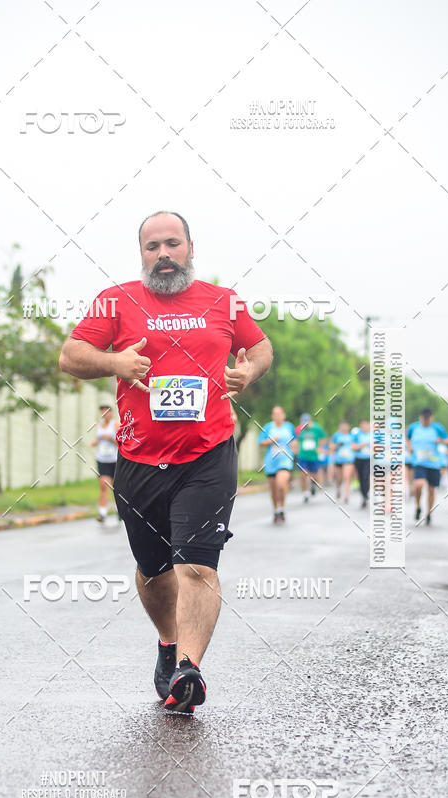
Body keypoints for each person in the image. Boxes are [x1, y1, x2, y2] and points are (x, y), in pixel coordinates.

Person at [59, 210, 272, 713]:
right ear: (142, 254)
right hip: (137, 457)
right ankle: (168, 642)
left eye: (172, 244)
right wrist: (113, 362)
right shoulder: (117, 300)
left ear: (190, 248)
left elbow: (260, 347)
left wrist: (249, 373)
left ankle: (189, 668)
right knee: (153, 571)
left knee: (196, 566)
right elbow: (70, 356)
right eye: (152, 247)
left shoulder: (224, 301)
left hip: (208, 453)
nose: (163, 255)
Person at [406, 408, 448, 525]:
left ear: (431, 418)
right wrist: (409, 446)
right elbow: (407, 438)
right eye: (423, 419)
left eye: (427, 419)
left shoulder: (437, 428)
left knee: (431, 489)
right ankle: (418, 506)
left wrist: (441, 441)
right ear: (420, 418)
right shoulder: (413, 427)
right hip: (419, 462)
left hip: (434, 463)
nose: (425, 421)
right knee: (418, 485)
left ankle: (429, 513)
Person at [257, 406, 298, 524]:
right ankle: (276, 510)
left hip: (285, 460)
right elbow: (260, 442)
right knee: (274, 489)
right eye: (275, 414)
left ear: (283, 415)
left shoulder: (289, 427)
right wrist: (270, 441)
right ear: (272, 416)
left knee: (281, 485)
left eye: (280, 413)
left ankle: (282, 507)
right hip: (271, 461)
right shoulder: (268, 427)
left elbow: (295, 440)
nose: (278, 416)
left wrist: (294, 445)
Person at [91, 403, 118, 522]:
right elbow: (98, 439)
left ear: (111, 413)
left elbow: (121, 442)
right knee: (104, 485)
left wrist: (110, 438)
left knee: (117, 488)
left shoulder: (116, 425)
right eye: (102, 412)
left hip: (115, 460)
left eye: (107, 411)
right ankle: (102, 513)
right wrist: (94, 443)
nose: (105, 414)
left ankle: (120, 511)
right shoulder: (99, 426)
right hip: (103, 460)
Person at [295, 413, 326, 502]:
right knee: (302, 474)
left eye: (306, 423)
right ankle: (305, 493)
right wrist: (295, 448)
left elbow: (324, 438)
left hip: (314, 456)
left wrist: (319, 447)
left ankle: (313, 484)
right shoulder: (299, 430)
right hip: (302, 455)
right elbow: (295, 440)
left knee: (314, 475)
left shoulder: (317, 428)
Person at [330, 420, 356, 503]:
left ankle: (346, 495)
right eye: (342, 426)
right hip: (339, 460)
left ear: (348, 427)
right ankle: (338, 489)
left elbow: (355, 445)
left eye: (345, 426)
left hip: (349, 460)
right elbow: (331, 447)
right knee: (339, 478)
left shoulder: (352, 436)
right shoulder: (336, 436)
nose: (344, 428)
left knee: (347, 477)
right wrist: (337, 445)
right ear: (339, 427)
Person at [351, 419, 371, 508]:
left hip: (369, 459)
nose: (364, 427)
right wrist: (362, 445)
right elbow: (353, 447)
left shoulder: (373, 434)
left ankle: (366, 493)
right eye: (363, 425)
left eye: (366, 425)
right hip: (359, 458)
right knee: (360, 478)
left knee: (366, 476)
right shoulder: (357, 435)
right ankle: (363, 496)